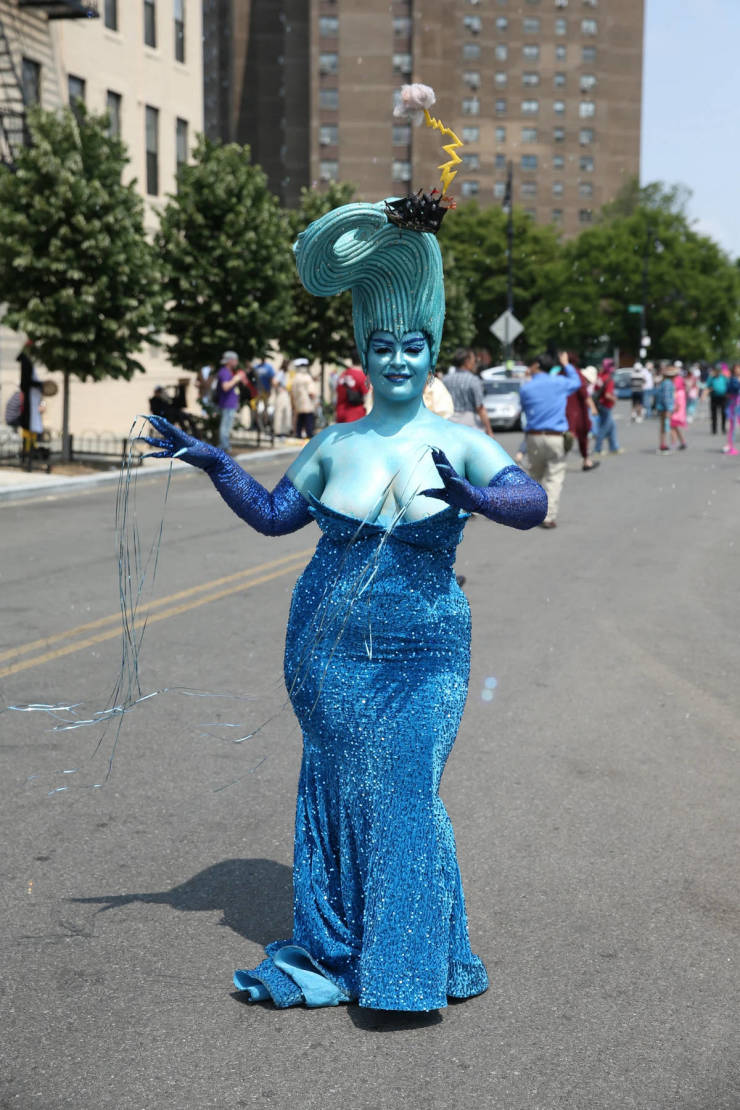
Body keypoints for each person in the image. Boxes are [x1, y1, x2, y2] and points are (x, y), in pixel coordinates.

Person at [142, 184, 547, 1012]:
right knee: (351, 785)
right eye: (383, 346)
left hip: (426, 655)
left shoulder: (460, 440)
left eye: (413, 347)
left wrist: (476, 498)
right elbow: (275, 518)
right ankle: (363, 945)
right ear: (364, 352)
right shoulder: (333, 444)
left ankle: (406, 969)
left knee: (406, 791)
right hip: (327, 654)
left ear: (431, 352)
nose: (398, 360)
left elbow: (532, 503)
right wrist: (218, 465)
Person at [519, 351, 582, 528]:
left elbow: (524, 409)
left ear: (537, 365)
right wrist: (566, 364)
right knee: (554, 477)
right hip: (556, 436)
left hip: (534, 436)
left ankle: (532, 512)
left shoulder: (526, 388)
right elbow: (577, 382)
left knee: (535, 475)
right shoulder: (559, 382)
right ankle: (548, 516)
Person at [444, 347, 494, 436]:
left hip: (449, 423)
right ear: (467, 361)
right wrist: (489, 430)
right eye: (474, 360)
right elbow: (480, 408)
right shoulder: (473, 380)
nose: (475, 363)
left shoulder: (445, 379)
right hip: (470, 424)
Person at [567, 362, 599, 472]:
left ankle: (586, 460)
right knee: (578, 436)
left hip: (575, 414)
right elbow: (586, 397)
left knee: (581, 437)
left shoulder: (574, 381)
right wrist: (593, 408)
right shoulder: (579, 384)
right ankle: (586, 460)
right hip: (575, 414)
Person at [215, 351, 246, 451]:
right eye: (235, 360)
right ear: (230, 361)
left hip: (230, 403)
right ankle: (224, 446)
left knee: (227, 426)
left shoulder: (228, 372)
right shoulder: (224, 372)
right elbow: (225, 387)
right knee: (225, 426)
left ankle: (225, 445)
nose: (237, 362)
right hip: (227, 404)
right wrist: (236, 379)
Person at [592, 358, 622, 455]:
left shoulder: (599, 376)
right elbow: (607, 395)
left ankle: (614, 447)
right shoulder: (609, 379)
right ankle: (597, 449)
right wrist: (615, 398)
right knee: (604, 428)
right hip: (606, 406)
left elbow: (595, 388)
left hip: (599, 404)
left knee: (612, 426)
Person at [335, 356, 369, 423]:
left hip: (341, 414)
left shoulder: (343, 375)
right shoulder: (361, 376)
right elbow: (367, 398)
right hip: (356, 416)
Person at [291, 358, 318, 438]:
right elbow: (311, 392)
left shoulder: (295, 378)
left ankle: (298, 434)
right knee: (308, 420)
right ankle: (309, 434)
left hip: (298, 403)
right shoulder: (307, 377)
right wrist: (315, 400)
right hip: (307, 403)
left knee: (300, 419)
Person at [654, 363, 677, 453]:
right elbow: (666, 397)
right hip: (665, 408)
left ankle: (663, 444)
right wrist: (668, 409)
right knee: (667, 426)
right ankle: (665, 444)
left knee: (663, 426)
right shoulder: (668, 383)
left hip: (663, 407)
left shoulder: (665, 382)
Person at [703, 366, 728, 435]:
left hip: (723, 397)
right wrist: (704, 395)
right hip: (714, 397)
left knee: (723, 413)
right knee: (714, 414)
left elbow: (727, 385)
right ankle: (714, 429)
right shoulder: (711, 378)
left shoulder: (723, 377)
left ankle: (723, 428)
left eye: (718, 371)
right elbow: (707, 387)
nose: (717, 372)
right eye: (715, 371)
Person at [723, 363, 740, 455]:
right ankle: (730, 446)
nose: (738, 370)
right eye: (736, 368)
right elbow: (729, 391)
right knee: (732, 427)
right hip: (734, 405)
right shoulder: (733, 380)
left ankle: (729, 445)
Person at [669, 371, 688, 450]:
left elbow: (678, 403)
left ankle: (674, 443)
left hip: (676, 411)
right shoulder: (682, 390)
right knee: (675, 427)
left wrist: (673, 409)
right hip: (679, 412)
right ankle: (682, 442)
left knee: (673, 427)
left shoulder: (678, 392)